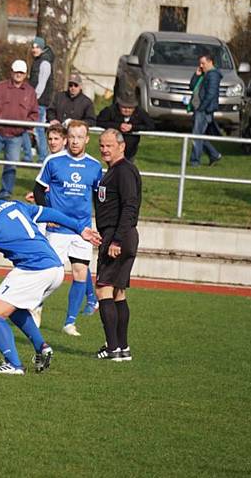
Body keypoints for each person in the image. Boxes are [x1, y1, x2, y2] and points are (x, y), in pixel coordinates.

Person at [0, 175, 101, 375]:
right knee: (14, 308)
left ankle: (13, 364)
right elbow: (49, 213)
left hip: (33, 269)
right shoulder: (14, 205)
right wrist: (79, 228)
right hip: (55, 268)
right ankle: (42, 347)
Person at [34, 120, 103, 335]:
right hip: (58, 230)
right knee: (52, 273)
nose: (75, 141)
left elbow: (99, 200)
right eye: (72, 136)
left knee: (81, 272)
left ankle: (69, 323)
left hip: (82, 230)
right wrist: (48, 215)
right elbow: (38, 190)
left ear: (87, 139)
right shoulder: (54, 161)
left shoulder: (95, 166)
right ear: (67, 137)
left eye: (79, 137)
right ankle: (35, 304)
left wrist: (99, 227)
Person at [94, 129, 142, 361]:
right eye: (102, 145)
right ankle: (122, 348)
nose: (104, 149)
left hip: (119, 235)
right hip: (117, 233)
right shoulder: (114, 171)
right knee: (118, 293)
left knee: (103, 289)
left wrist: (116, 239)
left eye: (109, 145)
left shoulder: (124, 171)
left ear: (121, 146)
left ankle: (112, 347)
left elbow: (130, 206)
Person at [0, 60, 39, 200]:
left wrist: (26, 125)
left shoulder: (30, 92)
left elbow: (34, 113)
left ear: (25, 74)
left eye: (21, 72)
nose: (18, 75)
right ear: (11, 72)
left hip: (16, 136)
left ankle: (6, 192)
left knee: (11, 166)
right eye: (16, 72)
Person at [188, 53, 223, 167]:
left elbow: (211, 94)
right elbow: (192, 87)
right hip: (199, 108)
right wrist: (196, 75)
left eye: (203, 63)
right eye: (200, 63)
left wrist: (202, 108)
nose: (201, 66)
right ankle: (214, 155)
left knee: (197, 136)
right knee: (199, 135)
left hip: (203, 110)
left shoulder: (213, 75)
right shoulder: (204, 74)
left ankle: (195, 161)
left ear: (210, 62)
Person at [96, 95, 154, 161]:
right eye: (124, 107)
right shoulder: (110, 110)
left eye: (130, 108)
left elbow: (151, 125)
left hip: (131, 149)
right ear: (119, 105)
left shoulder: (140, 112)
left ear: (134, 108)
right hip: (113, 148)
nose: (127, 110)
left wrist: (133, 127)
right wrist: (118, 126)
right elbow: (99, 122)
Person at [28, 36, 54, 161]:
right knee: (29, 128)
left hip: (39, 102)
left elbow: (41, 84)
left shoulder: (44, 63)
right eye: (33, 47)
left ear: (42, 48)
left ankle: (43, 156)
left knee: (39, 129)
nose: (34, 49)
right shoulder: (37, 61)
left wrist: (33, 99)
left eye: (37, 47)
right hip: (34, 100)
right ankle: (29, 155)